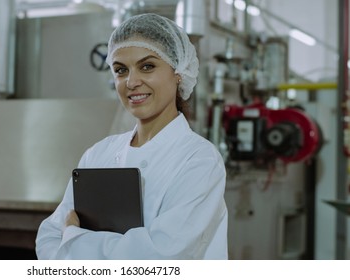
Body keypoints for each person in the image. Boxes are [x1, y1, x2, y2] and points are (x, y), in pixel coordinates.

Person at [35, 13, 228, 260]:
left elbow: (160, 258)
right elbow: (49, 236)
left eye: (147, 66)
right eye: (120, 70)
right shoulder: (99, 154)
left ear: (178, 71)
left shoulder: (199, 160)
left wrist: (73, 237)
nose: (131, 82)